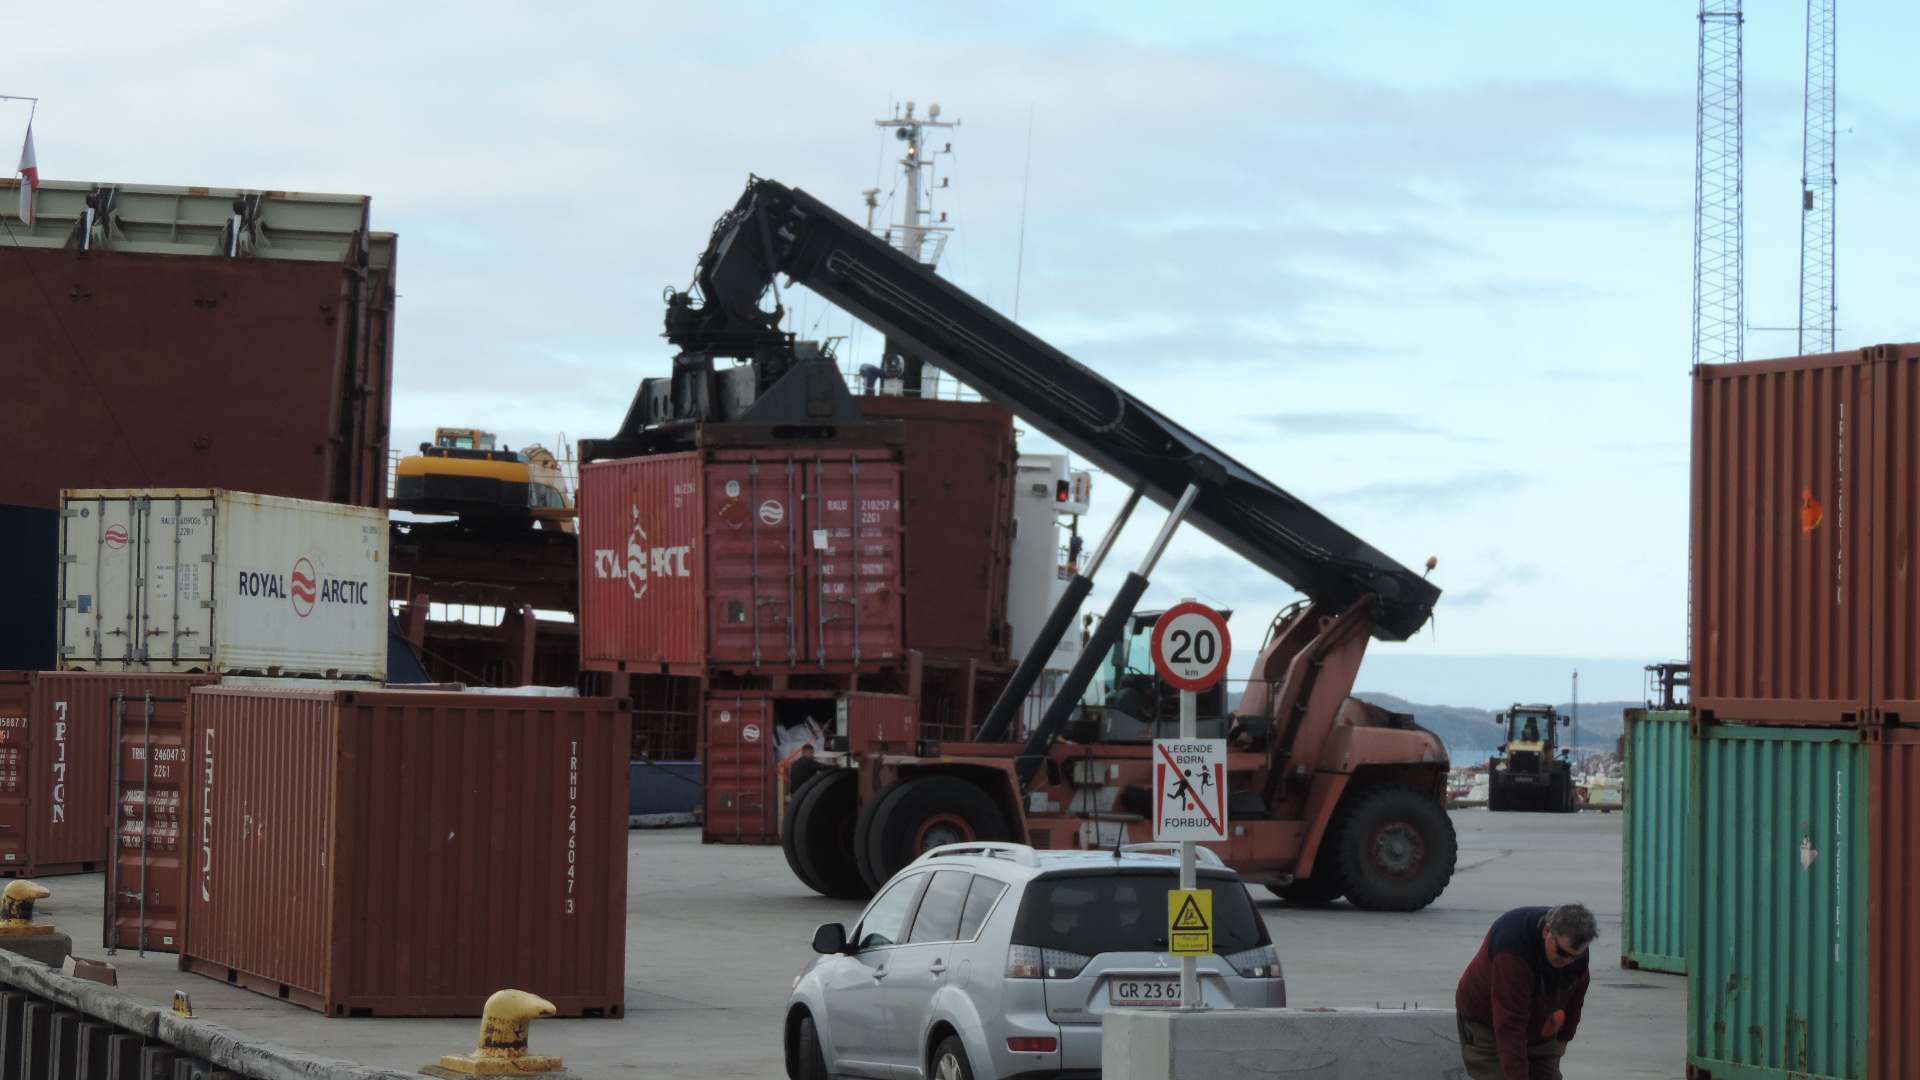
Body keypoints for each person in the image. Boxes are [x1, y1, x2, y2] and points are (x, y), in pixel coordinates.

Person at [1455, 903, 1596, 1080]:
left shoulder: (1575, 949)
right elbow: (1510, 1025)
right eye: (1561, 952)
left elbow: (1576, 997)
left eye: (1575, 956)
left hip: (1538, 1025)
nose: (1568, 961)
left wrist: (1564, 1037)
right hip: (1488, 1022)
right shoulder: (1513, 950)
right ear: (1547, 931)